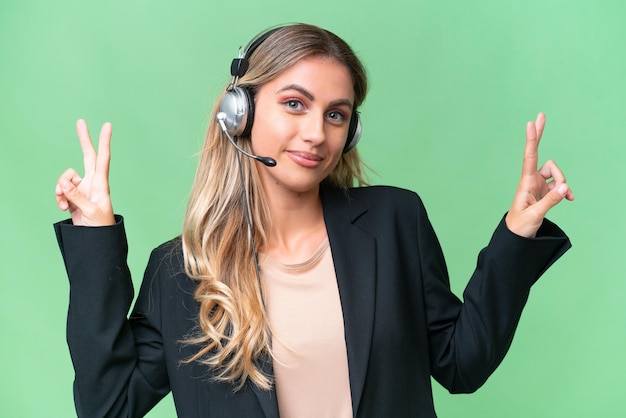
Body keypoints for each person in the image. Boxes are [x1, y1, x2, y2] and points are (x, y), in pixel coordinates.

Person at [54, 23, 574, 418]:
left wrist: (516, 233)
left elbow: (463, 365)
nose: (316, 133)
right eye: (295, 104)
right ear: (240, 113)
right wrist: (94, 240)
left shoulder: (394, 221)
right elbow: (108, 407)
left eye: (335, 114)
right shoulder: (180, 270)